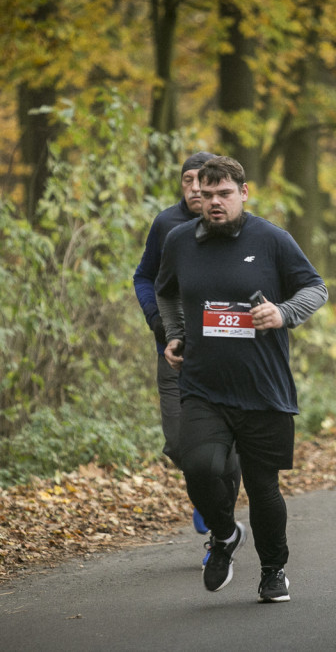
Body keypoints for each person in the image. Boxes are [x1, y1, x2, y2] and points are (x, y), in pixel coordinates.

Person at [155, 156, 327, 603]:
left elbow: (315, 288)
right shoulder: (179, 241)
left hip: (262, 386)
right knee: (199, 466)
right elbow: (166, 289)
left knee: (263, 488)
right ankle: (225, 534)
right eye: (206, 194)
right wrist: (174, 334)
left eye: (224, 193)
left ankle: (274, 570)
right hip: (202, 384)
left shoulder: (271, 240)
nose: (213, 202)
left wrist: (283, 312)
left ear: (243, 193)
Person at [133, 151, 240, 560]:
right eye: (188, 181)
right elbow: (146, 276)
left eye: (204, 181)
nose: (196, 189)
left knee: (225, 449)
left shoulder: (232, 221)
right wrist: (157, 321)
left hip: (226, 357)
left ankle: (218, 521)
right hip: (175, 354)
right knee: (180, 441)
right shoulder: (167, 224)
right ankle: (208, 492)